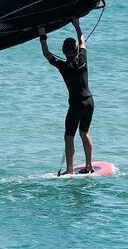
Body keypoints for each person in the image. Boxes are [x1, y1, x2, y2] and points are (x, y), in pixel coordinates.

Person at [39, 18, 94, 175]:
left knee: (69, 136)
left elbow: (46, 53)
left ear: (64, 51)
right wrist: (76, 24)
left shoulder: (63, 66)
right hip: (90, 102)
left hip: (76, 104)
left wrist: (42, 35)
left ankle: (70, 170)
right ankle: (88, 166)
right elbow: (82, 41)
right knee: (84, 133)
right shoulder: (83, 59)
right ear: (76, 50)